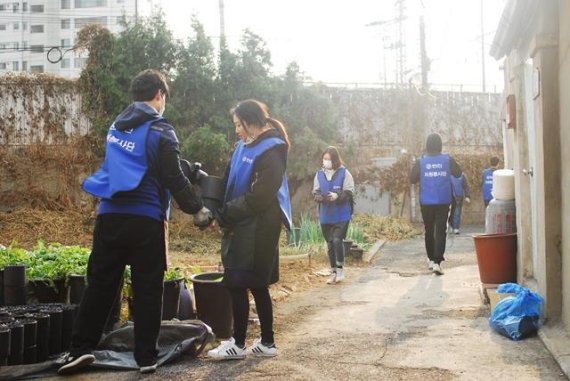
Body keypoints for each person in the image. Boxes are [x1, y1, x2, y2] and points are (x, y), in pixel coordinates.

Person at [58, 69, 207, 375]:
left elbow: (140, 161)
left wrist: (184, 167)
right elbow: (172, 177)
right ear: (160, 95)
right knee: (148, 289)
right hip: (145, 220)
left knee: (100, 285)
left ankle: (80, 349)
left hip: (110, 216)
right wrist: (197, 210)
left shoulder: (117, 127)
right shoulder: (162, 130)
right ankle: (146, 358)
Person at [207, 99, 292, 360]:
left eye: (238, 125)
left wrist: (226, 213)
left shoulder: (272, 151)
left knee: (240, 282)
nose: (236, 130)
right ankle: (266, 343)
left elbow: (260, 197)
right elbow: (227, 181)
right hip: (240, 222)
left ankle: (238, 343)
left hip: (258, 227)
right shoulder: (242, 147)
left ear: (250, 121)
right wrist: (211, 208)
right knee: (251, 283)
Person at [409, 133, 462, 275]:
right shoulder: (447, 159)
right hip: (443, 201)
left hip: (426, 201)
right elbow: (458, 174)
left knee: (429, 229)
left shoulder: (421, 161)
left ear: (427, 145)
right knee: (440, 231)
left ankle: (431, 259)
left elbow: (412, 179)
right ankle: (438, 262)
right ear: (440, 145)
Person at [312, 146, 355, 284]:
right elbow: (316, 191)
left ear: (335, 160)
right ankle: (333, 272)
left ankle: (341, 269)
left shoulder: (344, 173)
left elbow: (349, 191)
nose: (326, 162)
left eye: (329, 159)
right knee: (330, 243)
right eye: (324, 159)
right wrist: (318, 197)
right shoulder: (319, 174)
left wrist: (337, 195)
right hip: (326, 215)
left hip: (341, 214)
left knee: (337, 239)